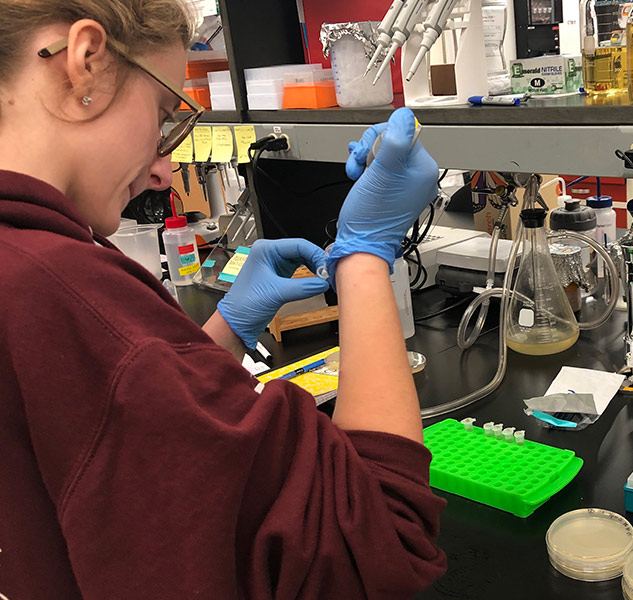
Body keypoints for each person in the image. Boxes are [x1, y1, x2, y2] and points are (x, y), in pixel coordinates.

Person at [0, 1, 446, 598]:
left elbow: (110, 440)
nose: (163, 170)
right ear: (83, 64)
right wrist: (365, 253)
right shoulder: (59, 288)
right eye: (163, 115)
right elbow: (375, 544)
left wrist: (218, 336)